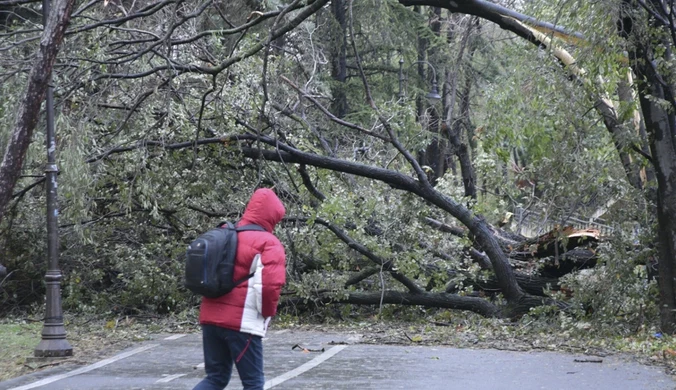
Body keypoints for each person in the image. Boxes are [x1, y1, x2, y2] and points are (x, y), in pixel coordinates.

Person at [193, 188, 286, 390]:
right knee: (253, 383)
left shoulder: (225, 232)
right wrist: (267, 314)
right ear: (272, 217)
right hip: (242, 324)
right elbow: (270, 286)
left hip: (209, 317)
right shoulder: (269, 243)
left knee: (215, 378)